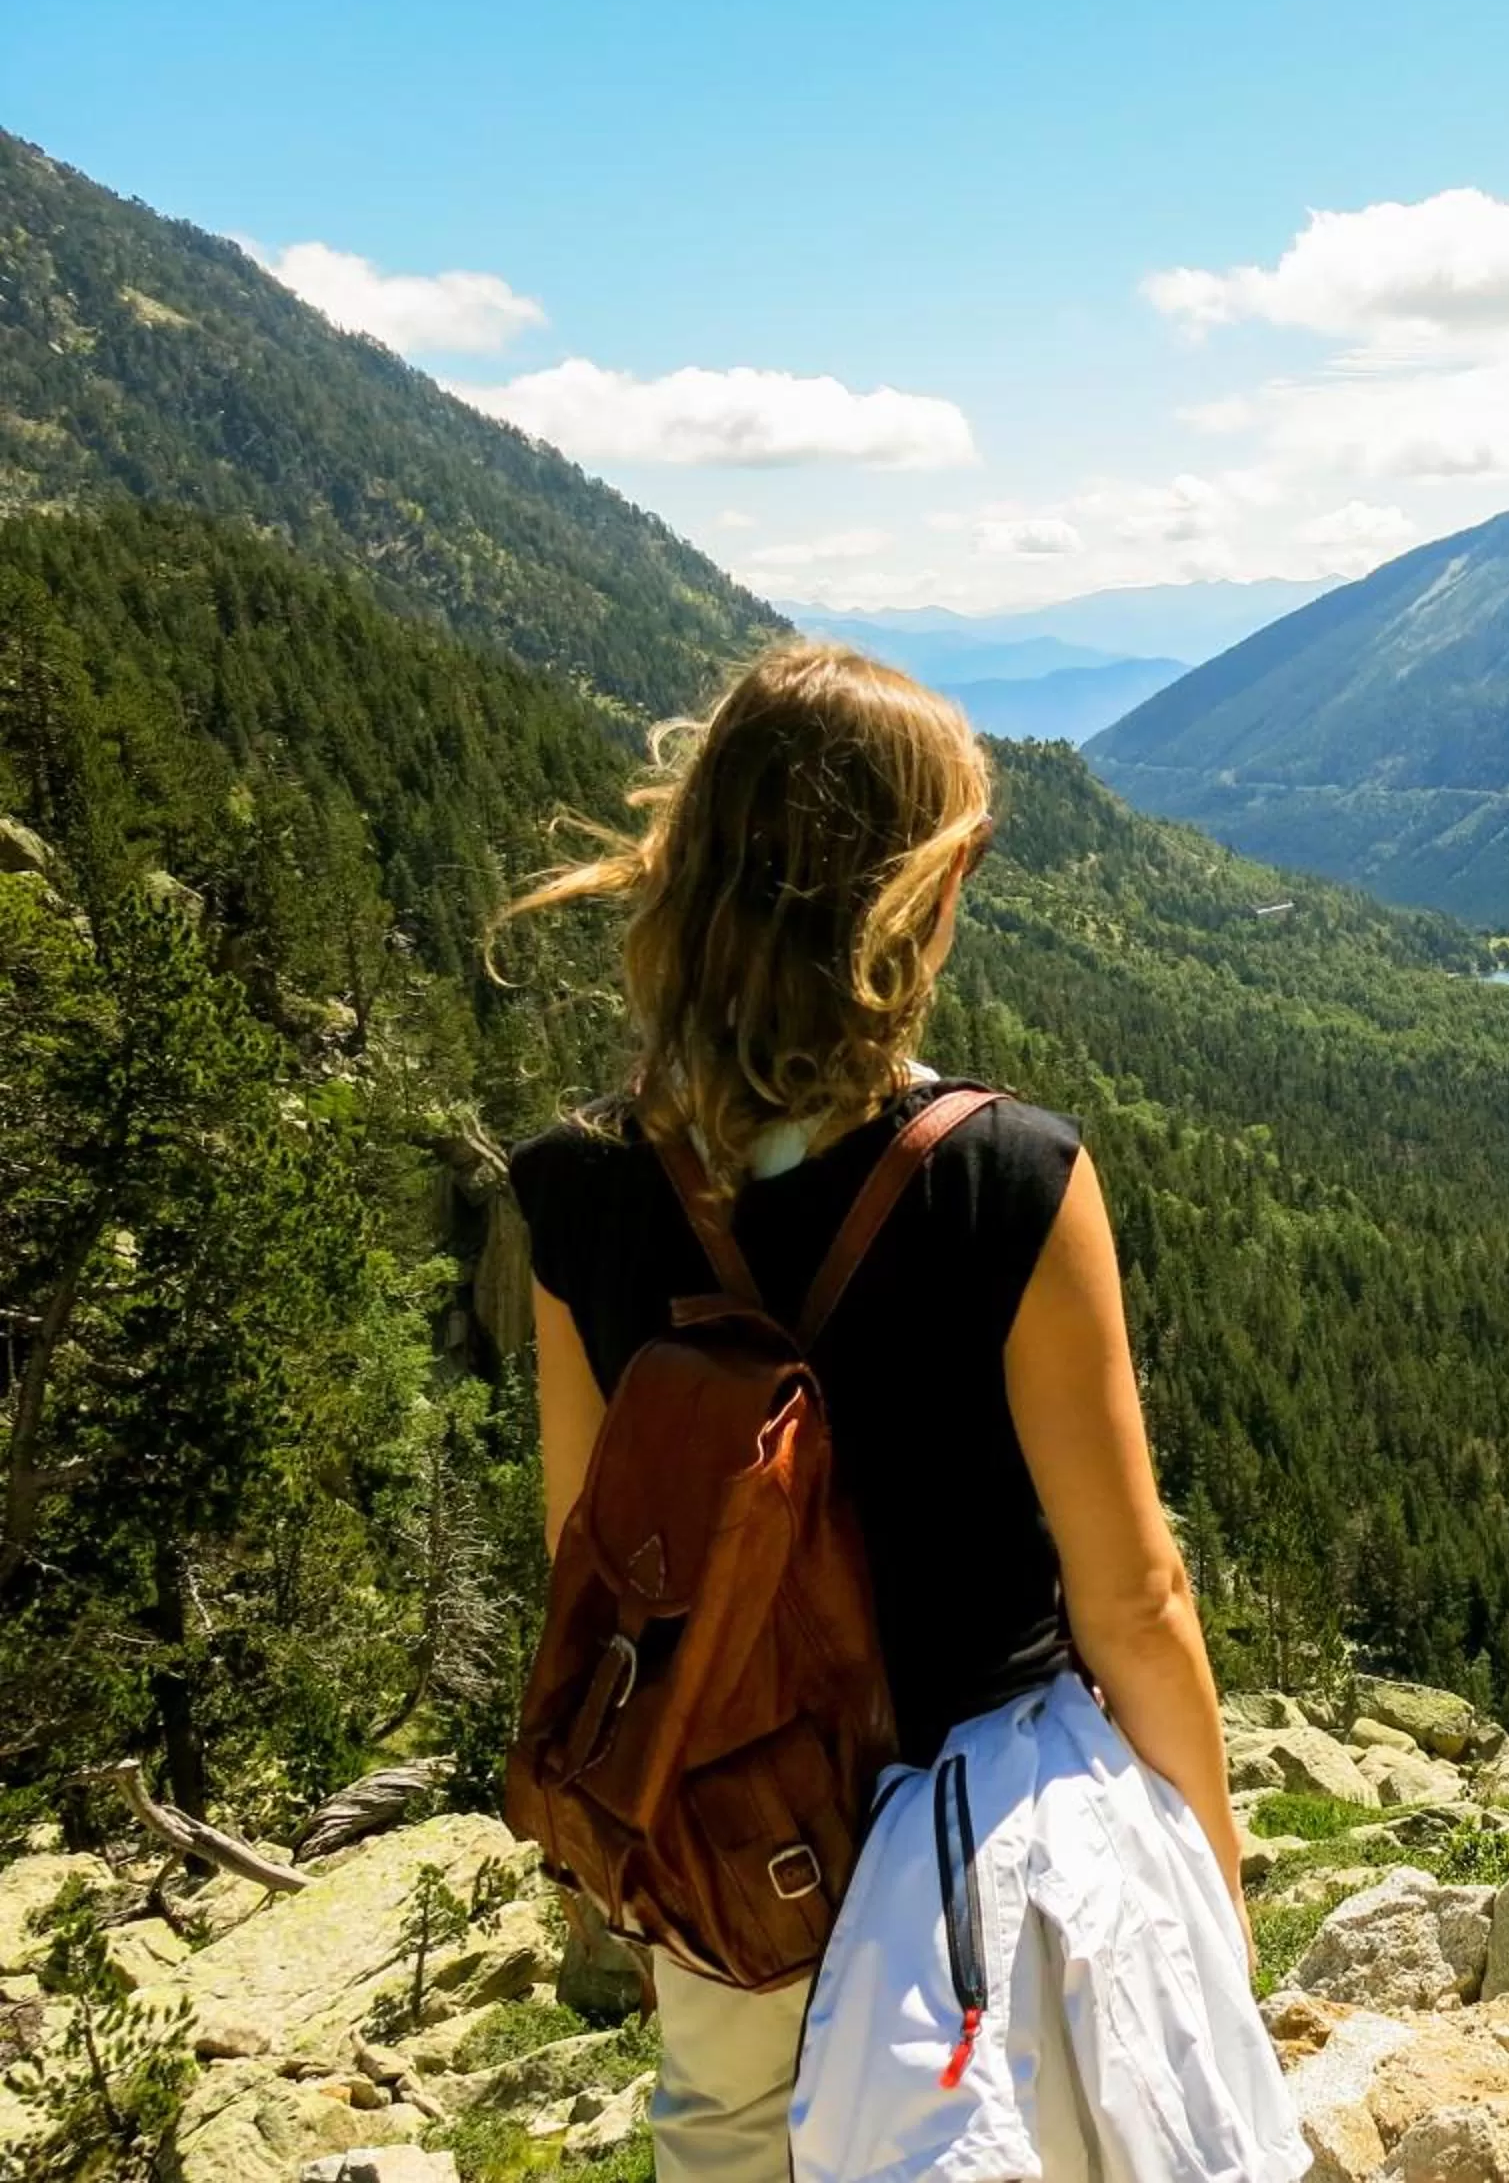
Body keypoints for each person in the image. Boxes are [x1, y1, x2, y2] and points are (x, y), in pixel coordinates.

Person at [502, 645, 1301, 2183]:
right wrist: (1210, 1875)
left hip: (742, 1837)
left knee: (728, 2141)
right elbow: (1134, 1598)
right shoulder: (1009, 1177)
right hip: (984, 1847)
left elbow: (589, 1555)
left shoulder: (575, 1190)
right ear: (914, 898)